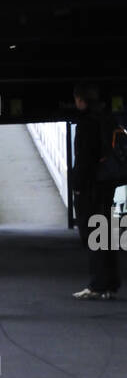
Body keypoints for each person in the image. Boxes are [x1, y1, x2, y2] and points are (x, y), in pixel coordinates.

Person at [70, 84, 120, 300]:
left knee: (92, 236)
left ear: (80, 100)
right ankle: (110, 284)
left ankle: (97, 285)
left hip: (91, 188)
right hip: (108, 185)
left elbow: (83, 160)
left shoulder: (85, 124)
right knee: (108, 234)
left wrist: (78, 188)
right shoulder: (107, 119)